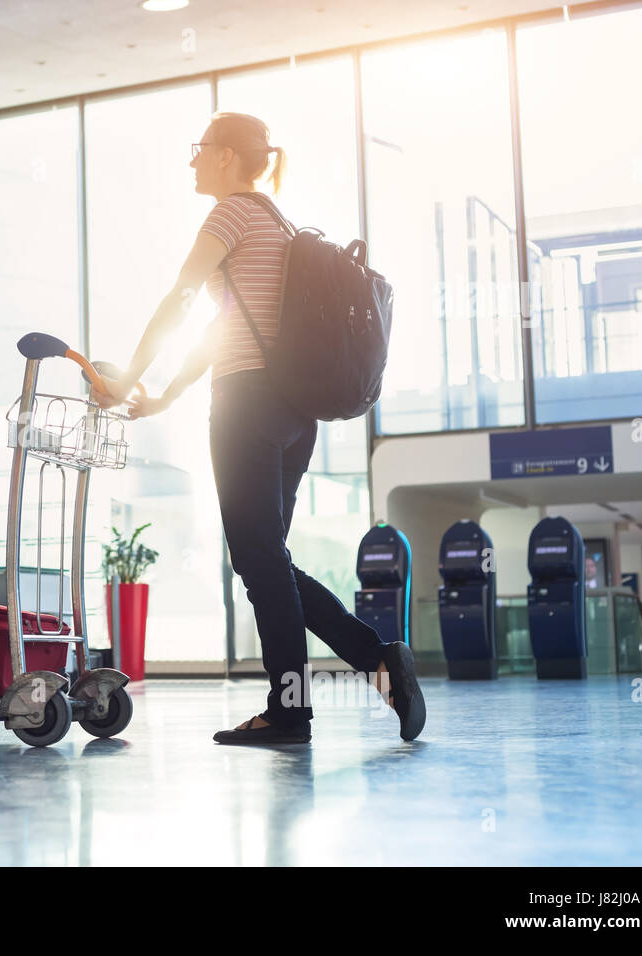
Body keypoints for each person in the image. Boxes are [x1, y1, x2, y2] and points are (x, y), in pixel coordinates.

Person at [91, 111, 425, 745]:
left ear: (226, 157)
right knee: (267, 558)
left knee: (259, 559)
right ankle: (377, 662)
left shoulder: (229, 216)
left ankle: (291, 710)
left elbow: (180, 299)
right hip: (296, 414)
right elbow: (224, 329)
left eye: (200, 149)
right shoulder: (280, 223)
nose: (192, 161)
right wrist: (162, 397)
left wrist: (128, 374)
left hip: (245, 405)